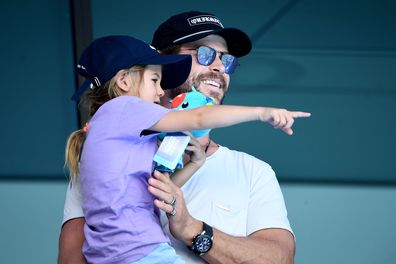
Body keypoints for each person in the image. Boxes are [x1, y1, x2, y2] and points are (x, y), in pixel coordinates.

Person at [58, 11, 311, 264]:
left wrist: (192, 228)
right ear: (163, 62)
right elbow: (71, 260)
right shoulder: (102, 157)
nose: (220, 67)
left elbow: (280, 260)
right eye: (204, 54)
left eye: (227, 60)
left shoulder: (254, 171)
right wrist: (261, 112)